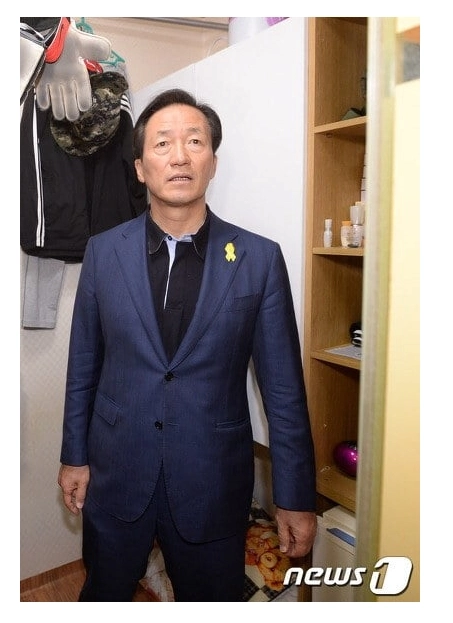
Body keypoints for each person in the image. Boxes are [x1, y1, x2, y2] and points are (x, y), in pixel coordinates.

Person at [58, 88, 317, 602]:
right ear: (140, 168)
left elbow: (284, 392)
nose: (179, 156)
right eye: (162, 143)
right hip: (116, 473)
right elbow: (83, 365)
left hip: (211, 483)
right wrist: (73, 457)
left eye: (195, 142)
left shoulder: (259, 259)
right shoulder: (103, 252)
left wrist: (294, 496)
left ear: (213, 162)